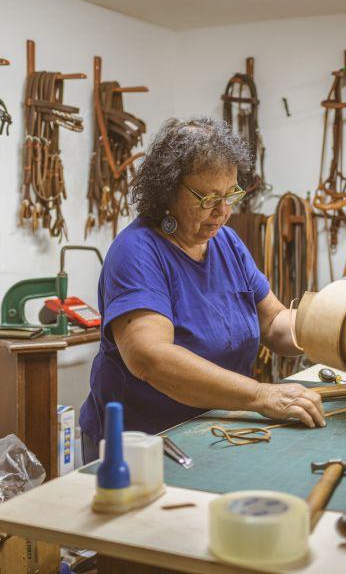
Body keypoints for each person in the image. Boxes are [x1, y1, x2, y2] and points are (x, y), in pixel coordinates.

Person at [79, 118, 324, 462]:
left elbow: (274, 322)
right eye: (207, 197)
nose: (222, 212)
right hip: (145, 443)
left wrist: (331, 329)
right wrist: (260, 395)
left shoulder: (226, 242)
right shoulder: (136, 252)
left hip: (214, 428)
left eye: (230, 195)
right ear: (166, 190)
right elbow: (151, 359)